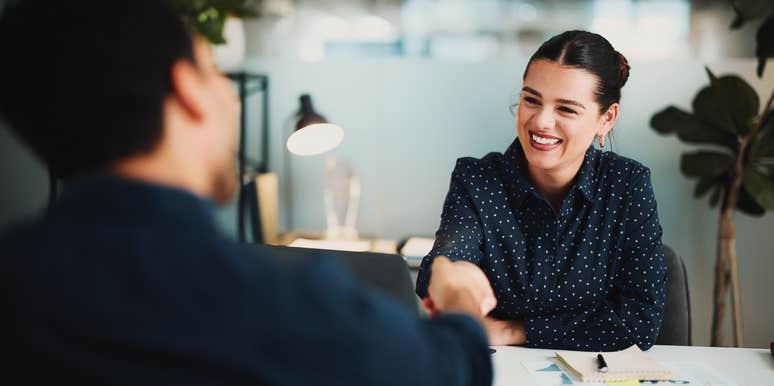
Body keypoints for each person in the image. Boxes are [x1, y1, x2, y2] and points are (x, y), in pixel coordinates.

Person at [0, 1, 496, 385]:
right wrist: (458, 299)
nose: (230, 96)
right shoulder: (278, 306)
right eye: (214, 71)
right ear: (187, 90)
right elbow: (449, 369)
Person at [416, 30, 667, 352]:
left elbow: (640, 321)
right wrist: (460, 302)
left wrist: (510, 331)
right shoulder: (478, 179)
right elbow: (448, 269)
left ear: (606, 119)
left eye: (566, 109)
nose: (542, 122)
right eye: (531, 100)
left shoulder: (627, 185)